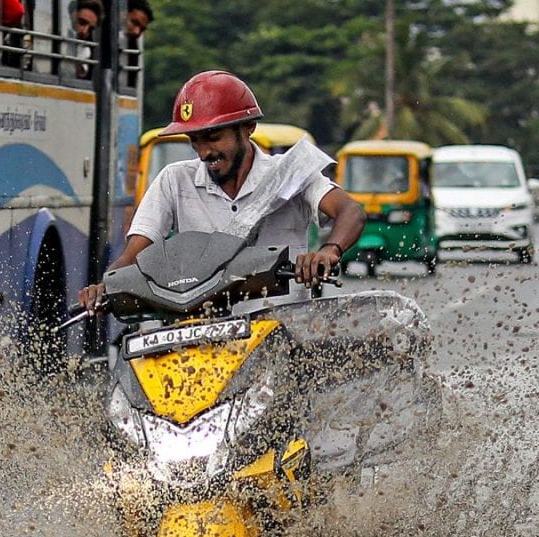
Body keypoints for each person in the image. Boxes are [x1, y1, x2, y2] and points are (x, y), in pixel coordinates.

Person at [77, 70, 366, 311]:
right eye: (195, 141)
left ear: (248, 127)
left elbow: (350, 211)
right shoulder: (174, 180)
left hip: (281, 332)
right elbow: (134, 253)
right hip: (203, 335)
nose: (204, 152)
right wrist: (108, 284)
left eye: (214, 138)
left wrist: (328, 251)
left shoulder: (289, 174)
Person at [69, 0, 103, 79]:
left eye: (91, 29)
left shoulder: (86, 50)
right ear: (73, 15)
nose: (85, 31)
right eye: (82, 22)